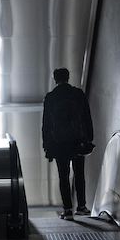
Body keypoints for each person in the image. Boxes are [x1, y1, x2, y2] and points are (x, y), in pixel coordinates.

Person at [42, 68, 94, 220]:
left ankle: (67, 209)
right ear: (68, 77)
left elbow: (46, 124)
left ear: (55, 79)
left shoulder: (51, 97)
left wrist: (47, 146)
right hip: (78, 141)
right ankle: (82, 206)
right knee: (79, 174)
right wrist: (89, 138)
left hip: (59, 144)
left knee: (63, 176)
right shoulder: (78, 94)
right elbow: (86, 117)